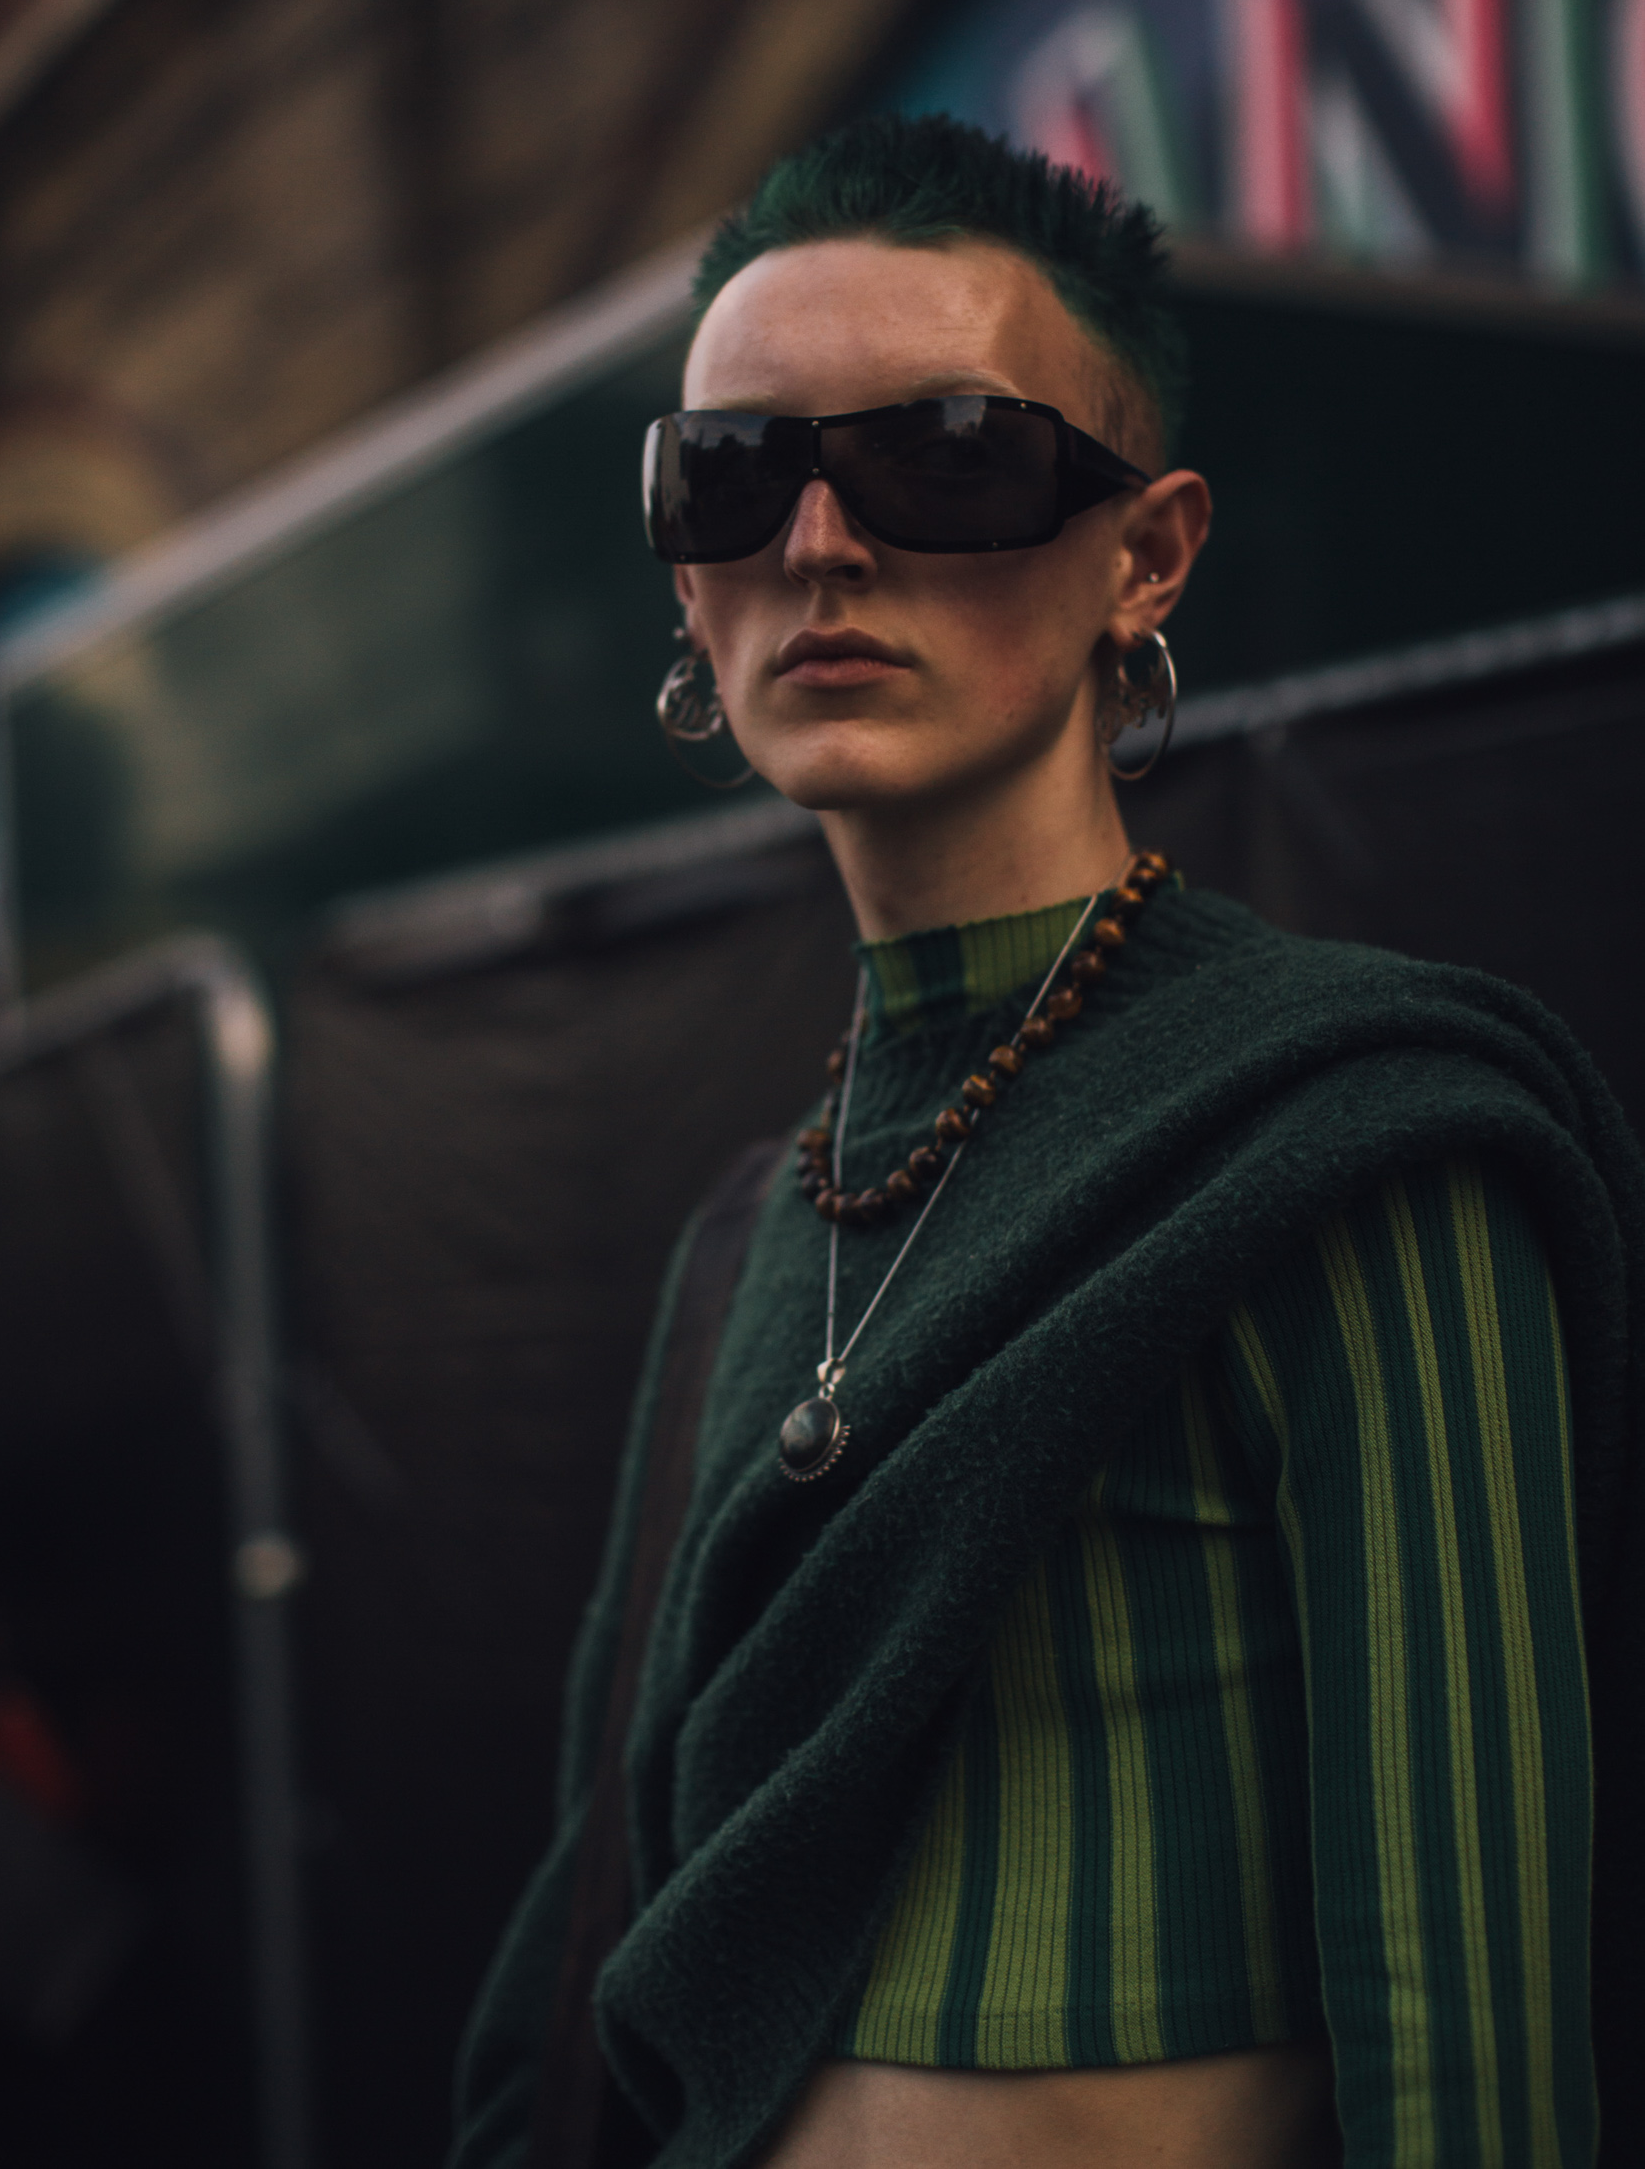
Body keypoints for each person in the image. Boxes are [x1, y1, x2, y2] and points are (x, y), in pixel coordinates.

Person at [451, 114, 1644, 2169]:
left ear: (1146, 556)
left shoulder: (1348, 1134)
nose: (821, 544)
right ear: (685, 573)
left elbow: (1475, 2041)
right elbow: (594, 1945)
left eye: (946, 456)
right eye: (730, 473)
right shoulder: (750, 1238)